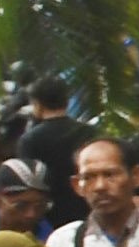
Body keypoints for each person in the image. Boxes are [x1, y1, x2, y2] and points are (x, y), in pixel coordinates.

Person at [10, 78, 92, 230]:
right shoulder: (88, 132)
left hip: (52, 218)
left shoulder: (30, 140)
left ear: (37, 104)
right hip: (90, 207)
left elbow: (28, 179)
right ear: (67, 101)